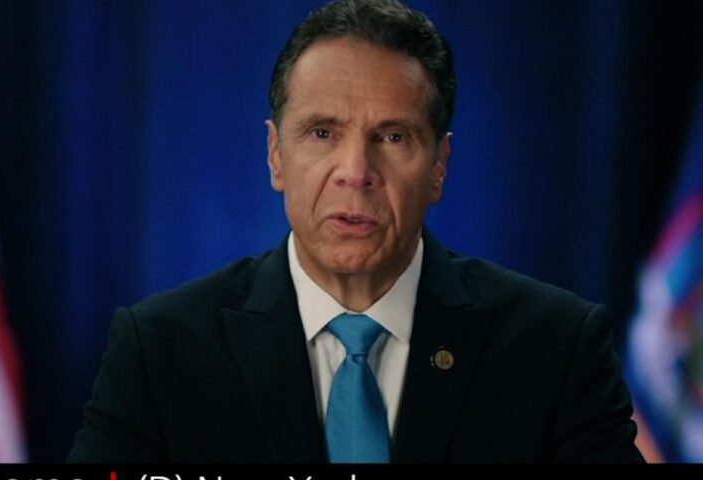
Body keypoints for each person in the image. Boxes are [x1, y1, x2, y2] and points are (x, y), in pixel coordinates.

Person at [67, 0, 644, 463]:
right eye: (322, 133)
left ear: (439, 167)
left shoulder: (554, 350)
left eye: (393, 137)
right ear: (275, 154)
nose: (356, 171)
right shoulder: (160, 352)